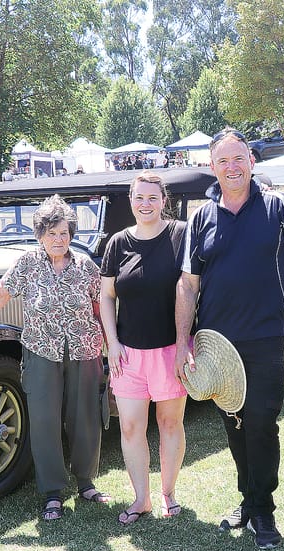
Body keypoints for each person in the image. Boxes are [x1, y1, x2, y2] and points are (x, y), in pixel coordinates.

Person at [174, 128, 284, 549]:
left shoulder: (278, 205)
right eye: (222, 162)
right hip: (216, 344)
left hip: (266, 338)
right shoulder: (201, 218)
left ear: (252, 162)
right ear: (212, 168)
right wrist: (183, 340)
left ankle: (263, 511)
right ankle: (249, 501)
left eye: (238, 159)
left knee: (262, 422)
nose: (231, 168)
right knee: (234, 425)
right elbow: (187, 284)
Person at [0, 195, 109, 522]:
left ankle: (86, 482)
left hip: (84, 350)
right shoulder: (27, 264)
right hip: (41, 352)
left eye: (64, 233)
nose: (59, 240)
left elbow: (103, 309)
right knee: (43, 421)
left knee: (84, 417)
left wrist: (113, 346)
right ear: (40, 235)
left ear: (72, 234)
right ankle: (53, 493)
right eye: (51, 234)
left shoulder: (86, 266)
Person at [100, 172, 188, 525]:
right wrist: (113, 343)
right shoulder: (117, 243)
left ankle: (168, 494)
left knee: (170, 424)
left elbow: (193, 288)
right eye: (139, 198)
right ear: (131, 200)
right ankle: (141, 499)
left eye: (153, 197)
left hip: (170, 350)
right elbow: (107, 297)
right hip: (128, 355)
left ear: (163, 200)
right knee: (132, 429)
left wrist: (187, 344)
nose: (145, 204)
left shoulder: (181, 235)